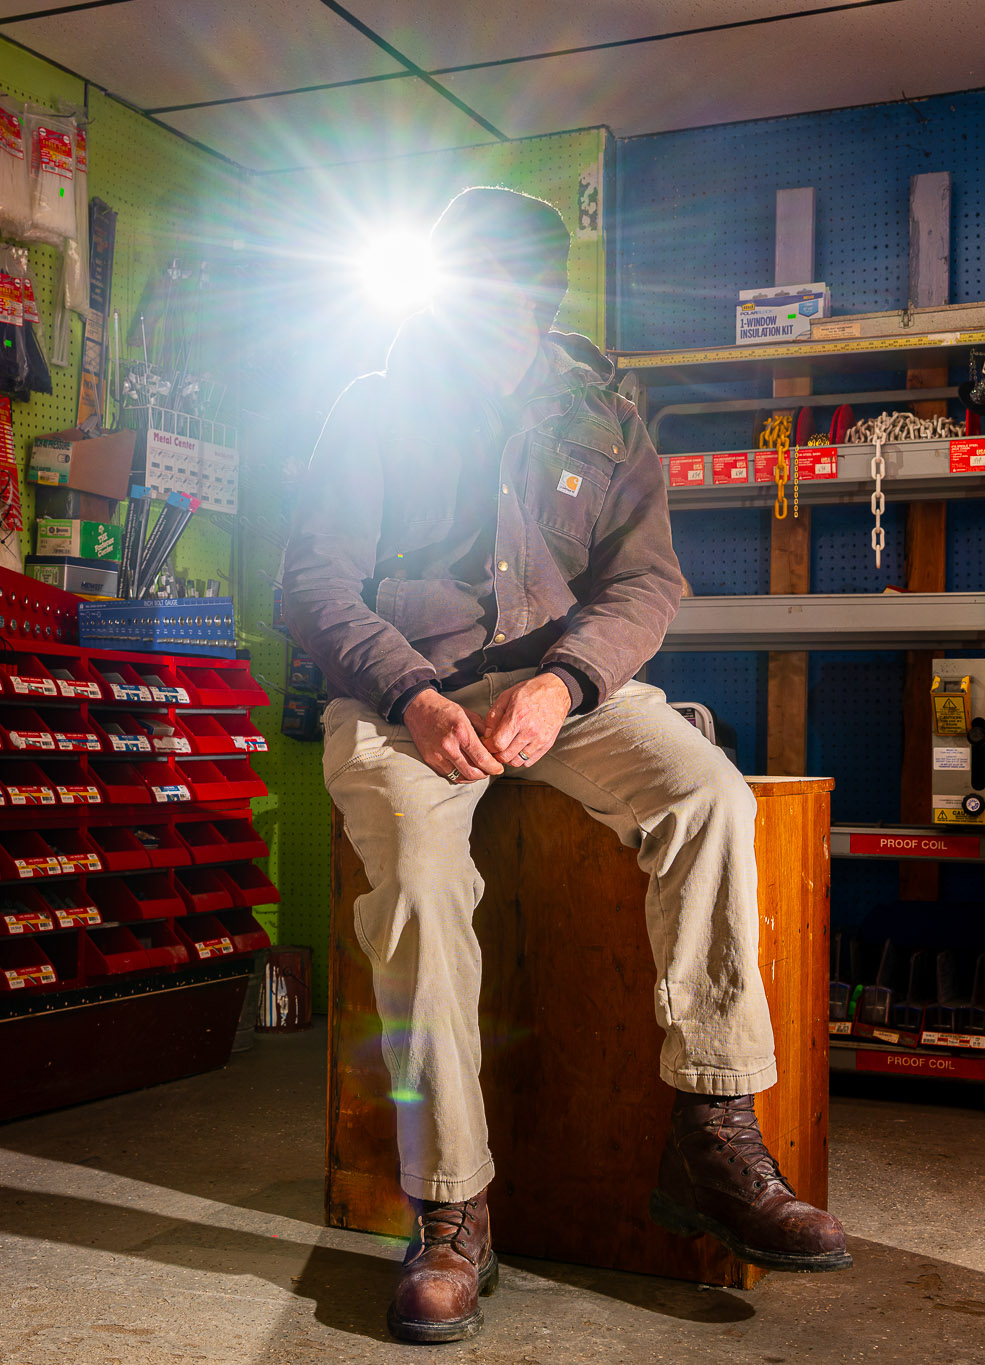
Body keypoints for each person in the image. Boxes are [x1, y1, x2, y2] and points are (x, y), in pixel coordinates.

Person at [282, 186, 852, 1345]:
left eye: (512, 279)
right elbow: (314, 585)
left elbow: (645, 585)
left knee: (708, 796)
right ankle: (450, 1211)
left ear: (540, 290)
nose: (489, 299)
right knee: (421, 892)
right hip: (407, 695)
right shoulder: (372, 403)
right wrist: (410, 692)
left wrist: (564, 685)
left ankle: (713, 1132)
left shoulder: (603, 413)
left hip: (561, 689)